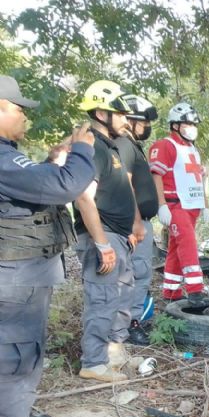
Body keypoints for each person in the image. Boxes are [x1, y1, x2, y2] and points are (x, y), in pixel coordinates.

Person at [0, 75, 96, 417]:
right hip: (15, 277)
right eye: (19, 109)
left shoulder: (10, 159)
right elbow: (65, 186)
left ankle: (13, 413)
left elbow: (33, 187)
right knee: (15, 354)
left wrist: (52, 161)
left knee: (18, 350)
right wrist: (80, 150)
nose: (25, 118)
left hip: (22, 274)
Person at [73, 80, 144, 382]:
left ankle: (111, 352)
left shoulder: (109, 147)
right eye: (120, 113)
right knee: (102, 299)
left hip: (119, 235)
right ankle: (93, 362)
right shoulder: (92, 147)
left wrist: (129, 227)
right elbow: (83, 197)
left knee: (120, 297)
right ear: (102, 113)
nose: (126, 120)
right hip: (102, 237)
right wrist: (102, 244)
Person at [149, 102, 209, 306]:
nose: (192, 127)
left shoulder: (192, 149)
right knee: (188, 244)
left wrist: (206, 204)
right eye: (187, 123)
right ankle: (195, 291)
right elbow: (156, 175)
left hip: (192, 205)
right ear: (175, 125)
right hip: (175, 205)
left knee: (176, 249)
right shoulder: (165, 145)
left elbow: (198, 178)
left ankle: (171, 291)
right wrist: (162, 205)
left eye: (194, 124)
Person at [116, 94, 159, 346]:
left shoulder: (132, 146)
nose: (147, 127)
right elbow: (127, 185)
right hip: (134, 224)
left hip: (139, 222)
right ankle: (130, 325)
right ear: (130, 121)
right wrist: (136, 223)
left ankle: (131, 320)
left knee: (138, 273)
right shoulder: (123, 146)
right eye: (144, 122)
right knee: (135, 274)